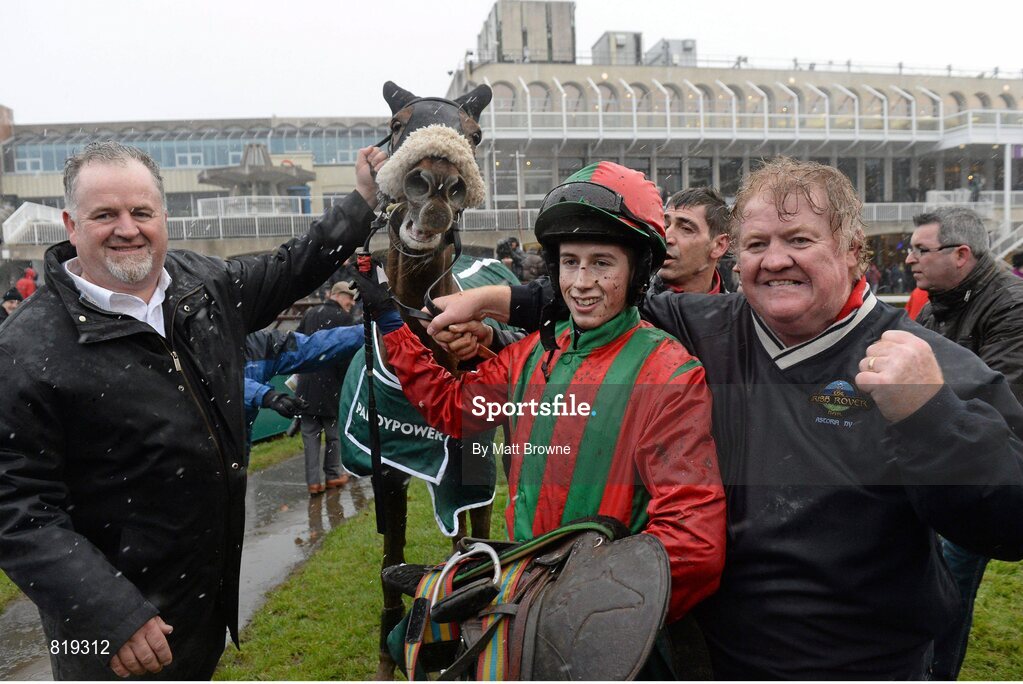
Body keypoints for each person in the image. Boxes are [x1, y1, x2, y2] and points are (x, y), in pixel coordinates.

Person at [426, 157, 1023, 679]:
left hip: (859, 663)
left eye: (800, 240)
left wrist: (931, 416)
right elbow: (604, 294)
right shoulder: (706, 326)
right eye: (757, 244)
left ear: (853, 248)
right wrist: (489, 301)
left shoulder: (924, 363)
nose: (775, 260)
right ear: (734, 256)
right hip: (706, 657)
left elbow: (1009, 522)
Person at [0, 140, 385, 679]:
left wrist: (364, 197)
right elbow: (16, 507)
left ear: (164, 216)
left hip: (200, 605)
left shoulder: (200, 285)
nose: (127, 228)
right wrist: (111, 613)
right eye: (104, 214)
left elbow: (293, 264)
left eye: (141, 212)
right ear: (71, 224)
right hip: (112, 638)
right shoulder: (25, 348)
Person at [359, 161, 726, 626]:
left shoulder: (670, 375)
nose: (581, 283)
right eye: (570, 262)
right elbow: (452, 409)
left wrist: (570, 609)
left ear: (638, 272)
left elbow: (694, 547)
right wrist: (392, 326)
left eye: (602, 263)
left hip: (596, 630)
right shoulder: (532, 354)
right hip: (523, 608)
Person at [906, 206, 1023, 679]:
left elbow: (1002, 399)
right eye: (908, 249)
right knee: (924, 584)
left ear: (960, 254)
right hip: (938, 459)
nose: (909, 258)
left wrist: (920, 405)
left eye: (920, 249)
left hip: (984, 472)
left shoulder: (1013, 306)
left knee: (948, 592)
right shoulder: (936, 303)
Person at [243, 324, 365, 453]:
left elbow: (311, 347)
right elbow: (223, 385)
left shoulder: (260, 342)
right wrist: (265, 395)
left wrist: (368, 330)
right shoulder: (237, 340)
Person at [296, 281, 357, 494]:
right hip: (332, 385)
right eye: (350, 299)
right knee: (334, 434)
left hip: (306, 385)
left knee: (310, 436)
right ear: (339, 296)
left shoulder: (311, 313)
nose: (351, 303)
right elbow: (348, 354)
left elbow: (297, 343)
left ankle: (313, 482)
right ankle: (333, 475)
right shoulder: (345, 318)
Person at [651, 187, 731, 295]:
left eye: (686, 229)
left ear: (719, 245)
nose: (667, 238)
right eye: (665, 226)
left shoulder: (740, 310)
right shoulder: (631, 307)